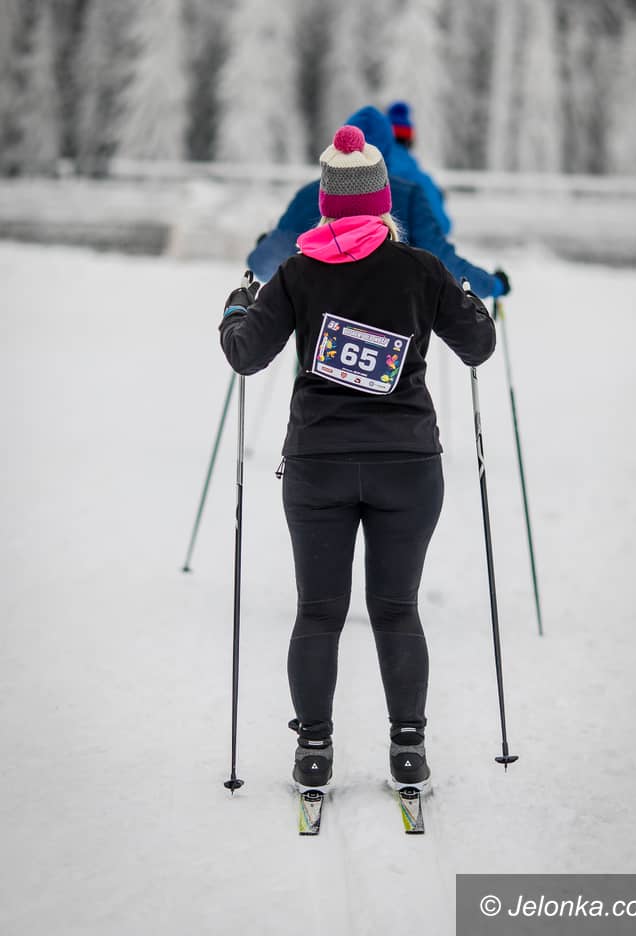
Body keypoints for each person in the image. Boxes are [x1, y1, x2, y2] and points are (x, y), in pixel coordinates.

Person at [219, 123, 496, 793]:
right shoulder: (420, 270)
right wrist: (466, 300)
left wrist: (236, 310)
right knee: (396, 609)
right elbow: (478, 345)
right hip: (408, 467)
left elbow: (245, 356)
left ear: (325, 204)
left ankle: (313, 752)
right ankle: (409, 752)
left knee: (318, 611)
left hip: (319, 467)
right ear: (381, 203)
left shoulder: (297, 273)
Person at [247, 105, 511, 302]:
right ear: (385, 149)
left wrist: (265, 246)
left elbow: (267, 264)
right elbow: (443, 262)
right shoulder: (409, 195)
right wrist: (491, 285)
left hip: (318, 337)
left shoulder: (311, 194)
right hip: (393, 337)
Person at [386, 99, 452, 235]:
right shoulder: (421, 181)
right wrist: (438, 197)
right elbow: (442, 226)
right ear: (410, 140)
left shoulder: (366, 175)